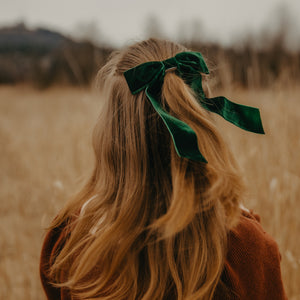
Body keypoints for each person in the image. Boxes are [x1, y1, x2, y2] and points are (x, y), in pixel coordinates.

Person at [40, 38, 287, 300]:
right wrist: (242, 226)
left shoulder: (70, 237)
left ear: (110, 132)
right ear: (199, 118)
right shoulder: (248, 247)